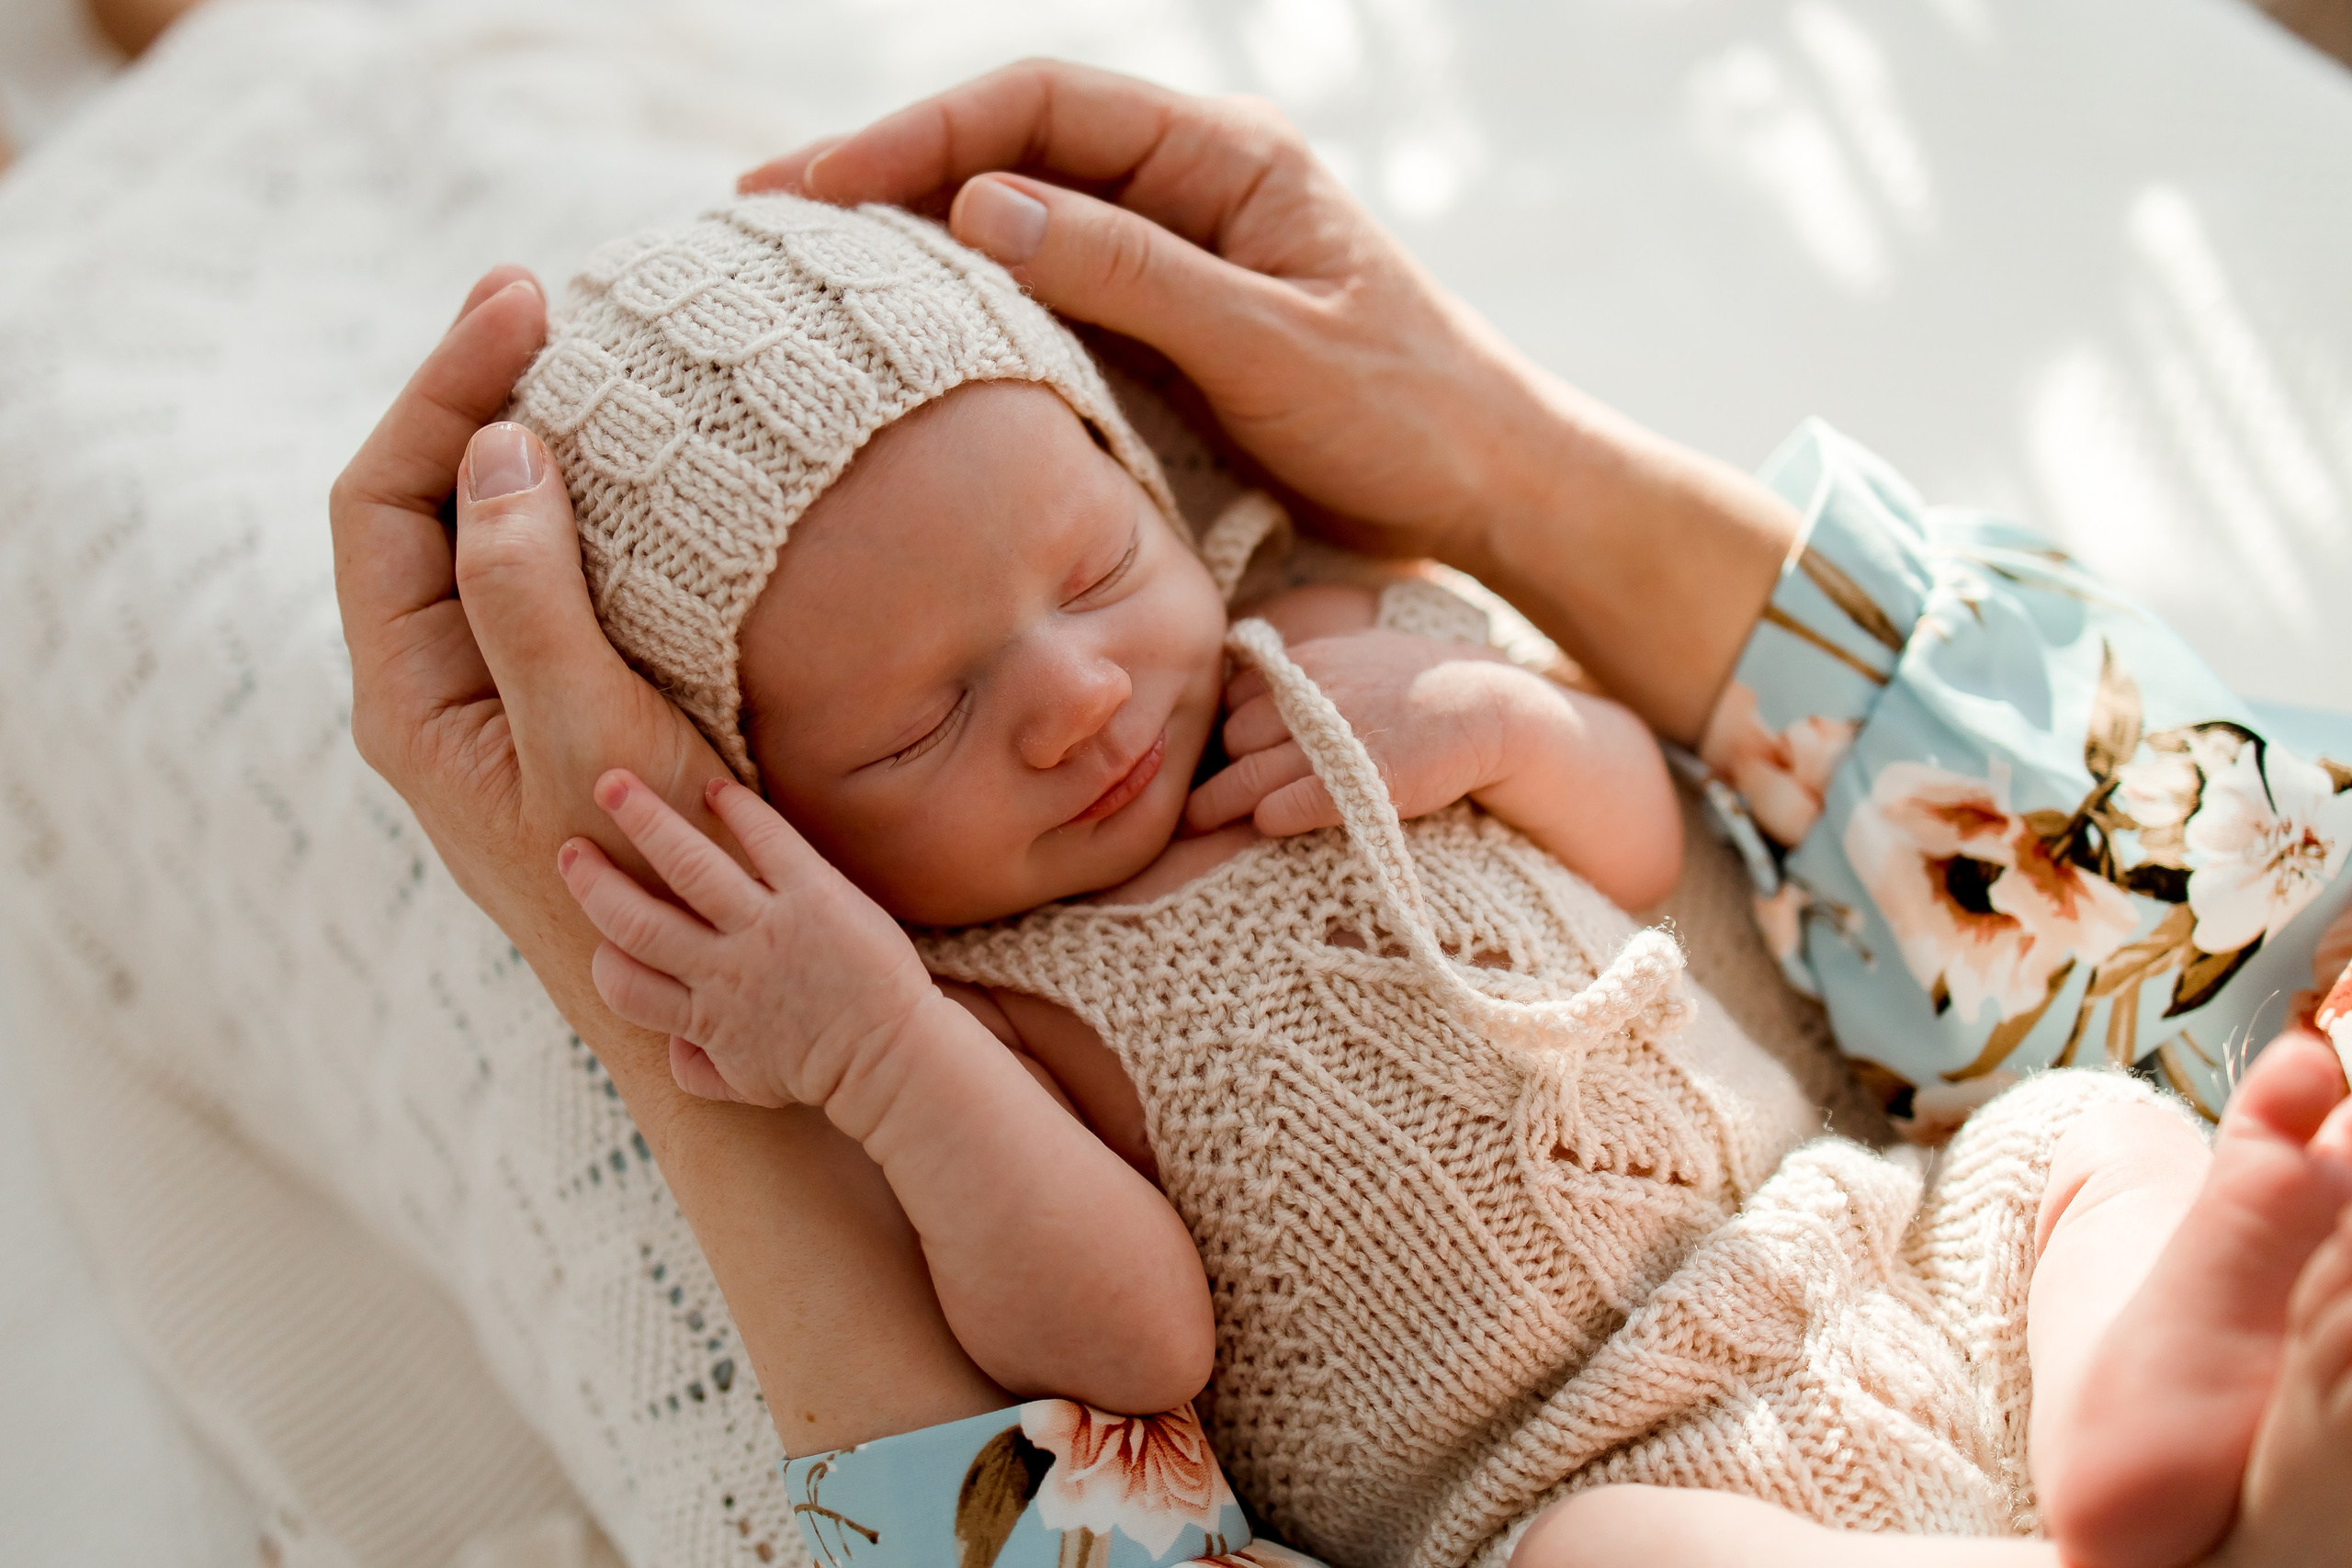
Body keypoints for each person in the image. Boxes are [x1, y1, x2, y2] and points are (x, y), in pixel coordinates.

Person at [331, 60, 2352, 1568]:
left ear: (1155, 481)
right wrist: (866, 1047)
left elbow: (1655, 860)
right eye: (923, 718)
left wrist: (1497, 718)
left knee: (2077, 1144)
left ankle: (2138, 1407)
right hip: (1599, 1478)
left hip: (1884, 1246)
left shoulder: (1329, 655)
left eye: (1097, 566)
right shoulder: (978, 1018)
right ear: (772, 817)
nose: (1076, 695)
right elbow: (1129, 1344)